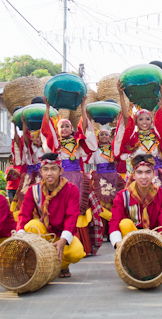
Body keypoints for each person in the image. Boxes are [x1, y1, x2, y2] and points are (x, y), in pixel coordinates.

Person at [113, 81, 162, 258]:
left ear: (152, 121)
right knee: (132, 208)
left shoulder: (158, 135)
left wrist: (161, 93)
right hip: (137, 178)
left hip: (158, 177)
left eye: (148, 119)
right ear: (136, 122)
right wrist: (121, 96)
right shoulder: (133, 138)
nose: (144, 122)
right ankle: (134, 247)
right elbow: (124, 119)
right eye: (140, 119)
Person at [41, 94, 104, 256]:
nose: (64, 129)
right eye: (61, 127)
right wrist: (47, 108)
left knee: (81, 210)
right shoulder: (55, 145)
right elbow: (47, 130)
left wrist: (83, 107)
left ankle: (83, 246)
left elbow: (86, 130)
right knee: (62, 211)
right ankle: (62, 242)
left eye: (67, 126)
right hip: (60, 181)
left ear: (71, 129)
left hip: (78, 180)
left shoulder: (78, 143)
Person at [16, 153, 85, 278]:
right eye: (45, 169)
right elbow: (23, 215)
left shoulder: (71, 189)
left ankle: (62, 266)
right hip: (43, 233)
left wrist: (63, 241)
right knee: (32, 225)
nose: (49, 173)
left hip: (61, 234)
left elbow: (72, 217)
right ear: (40, 172)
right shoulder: (33, 190)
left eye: (53, 168)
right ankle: (40, 265)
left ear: (61, 171)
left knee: (76, 252)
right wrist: (19, 236)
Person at [109, 155, 162, 258]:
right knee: (125, 223)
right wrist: (118, 244)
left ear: (154, 174)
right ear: (134, 175)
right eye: (139, 172)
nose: (144, 177)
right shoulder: (123, 196)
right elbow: (115, 222)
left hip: (155, 237)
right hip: (132, 240)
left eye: (148, 172)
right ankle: (133, 255)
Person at [89, 126, 126, 235]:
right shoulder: (95, 150)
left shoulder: (114, 149)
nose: (104, 136)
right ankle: (103, 231)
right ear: (98, 137)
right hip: (100, 177)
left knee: (114, 201)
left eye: (106, 134)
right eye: (101, 134)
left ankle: (115, 228)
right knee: (102, 202)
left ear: (109, 137)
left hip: (113, 177)